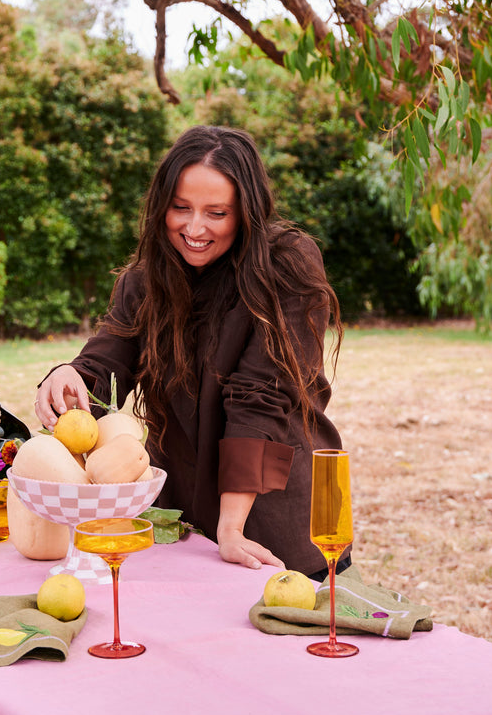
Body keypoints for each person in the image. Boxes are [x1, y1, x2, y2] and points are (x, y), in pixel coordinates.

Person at [35, 125, 346, 579]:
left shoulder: (287, 265)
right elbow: (109, 360)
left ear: (246, 212)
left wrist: (232, 529)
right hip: (179, 521)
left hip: (272, 528)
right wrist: (71, 375)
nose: (194, 228)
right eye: (180, 208)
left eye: (216, 213)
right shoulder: (145, 279)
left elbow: (261, 399)